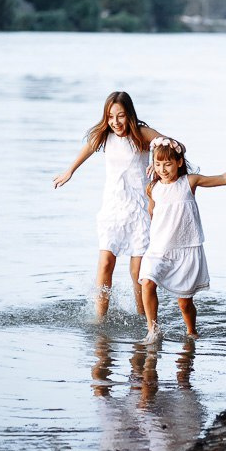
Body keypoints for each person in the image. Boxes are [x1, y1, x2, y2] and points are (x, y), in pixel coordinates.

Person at [139, 136, 226, 343]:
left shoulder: (189, 182)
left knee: (184, 304)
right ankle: (153, 330)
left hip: (186, 250)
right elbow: (152, 214)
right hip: (159, 250)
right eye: (158, 164)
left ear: (179, 162)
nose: (163, 169)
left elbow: (224, 178)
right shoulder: (152, 188)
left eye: (168, 164)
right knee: (147, 281)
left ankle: (191, 332)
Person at [53, 91, 162, 317]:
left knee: (137, 272)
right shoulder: (106, 135)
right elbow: (89, 147)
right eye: (111, 117)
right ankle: (99, 320)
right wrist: (70, 171)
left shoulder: (141, 134)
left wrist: (157, 164)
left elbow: (168, 143)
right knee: (105, 264)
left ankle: (143, 319)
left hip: (140, 211)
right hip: (112, 209)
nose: (115, 122)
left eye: (120, 116)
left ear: (129, 115)